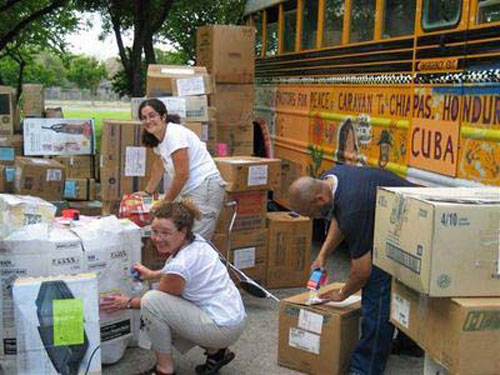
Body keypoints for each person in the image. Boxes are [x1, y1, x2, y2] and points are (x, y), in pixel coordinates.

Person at [288, 165, 415, 375]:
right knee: (405, 289)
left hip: (415, 223)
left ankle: (366, 368)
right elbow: (341, 219)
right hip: (397, 222)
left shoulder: (353, 206)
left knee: (377, 289)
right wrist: (323, 254)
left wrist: (342, 294)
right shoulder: (329, 179)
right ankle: (409, 344)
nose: (312, 219)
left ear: (319, 199)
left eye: (310, 214)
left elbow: (362, 272)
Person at [100, 200, 246, 375]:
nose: (157, 238)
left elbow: (158, 301)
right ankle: (217, 353)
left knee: (151, 301)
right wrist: (152, 274)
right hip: (232, 318)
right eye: (154, 231)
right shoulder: (197, 242)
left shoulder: (181, 264)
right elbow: (181, 274)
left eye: (166, 233)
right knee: (162, 301)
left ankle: (164, 369)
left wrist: (127, 302)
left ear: (183, 231)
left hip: (221, 327)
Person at [138, 98, 225, 240]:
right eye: (144, 118)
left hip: (204, 188)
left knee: (196, 240)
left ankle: (205, 262)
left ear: (163, 116)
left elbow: (182, 174)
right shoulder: (160, 139)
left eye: (152, 115)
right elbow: (159, 165)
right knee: (184, 236)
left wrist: (165, 203)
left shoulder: (174, 134)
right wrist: (148, 191)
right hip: (191, 191)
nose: (148, 121)